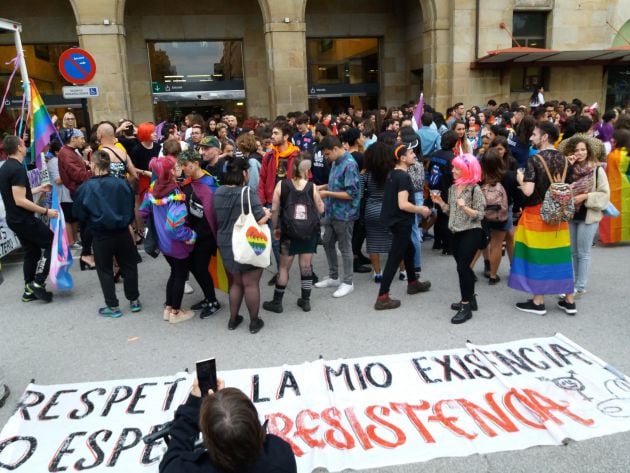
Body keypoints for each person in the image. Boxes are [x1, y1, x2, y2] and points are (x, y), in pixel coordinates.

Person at [159, 377, 297, 473]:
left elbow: (170, 461)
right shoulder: (279, 454)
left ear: (208, 440)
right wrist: (217, 404)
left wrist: (194, 405)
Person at [508, 122, 577, 316]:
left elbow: (528, 191)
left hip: (537, 215)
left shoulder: (535, 160)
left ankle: (538, 302)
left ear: (544, 137)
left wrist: (520, 178)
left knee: (538, 256)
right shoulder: (564, 159)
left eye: (535, 134)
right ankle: (569, 301)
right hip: (559, 215)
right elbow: (569, 188)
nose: (531, 138)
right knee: (561, 256)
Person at [72, 150, 141, 317]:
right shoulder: (122, 183)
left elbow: (78, 213)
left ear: (93, 165)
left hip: (101, 234)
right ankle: (134, 300)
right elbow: (130, 205)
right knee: (129, 265)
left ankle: (113, 306)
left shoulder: (85, 188)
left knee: (104, 270)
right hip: (122, 231)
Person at [213, 158, 271, 334]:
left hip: (225, 242)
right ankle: (254, 322)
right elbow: (260, 218)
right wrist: (267, 213)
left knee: (236, 283)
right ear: (244, 173)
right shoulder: (247, 192)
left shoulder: (218, 192)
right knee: (251, 283)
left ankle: (233, 320)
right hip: (247, 242)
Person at [0, 135, 58, 302]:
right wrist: (46, 211)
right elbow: (19, 200)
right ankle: (38, 283)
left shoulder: (6, 167)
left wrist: (39, 188)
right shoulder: (16, 169)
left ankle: (28, 289)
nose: (26, 146)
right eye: (24, 144)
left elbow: (15, 194)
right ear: (19, 147)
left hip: (15, 219)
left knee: (31, 252)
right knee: (51, 243)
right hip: (23, 219)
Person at [375, 143, 432, 310]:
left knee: (410, 250)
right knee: (394, 259)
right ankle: (382, 297)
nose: (414, 154)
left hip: (393, 220)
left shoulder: (393, 173)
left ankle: (413, 283)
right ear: (402, 158)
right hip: (401, 222)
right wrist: (421, 209)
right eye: (410, 152)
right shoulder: (403, 177)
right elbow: (403, 204)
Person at [139, 156, 197, 324]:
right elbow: (174, 227)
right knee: (179, 275)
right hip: (177, 243)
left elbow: (143, 211)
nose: (178, 168)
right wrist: (191, 236)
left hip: (162, 242)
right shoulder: (176, 194)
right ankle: (176, 313)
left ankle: (168, 308)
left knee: (174, 273)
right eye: (176, 166)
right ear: (170, 171)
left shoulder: (152, 189)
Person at [263, 157, 324, 313]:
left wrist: (276, 227)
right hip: (308, 232)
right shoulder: (312, 187)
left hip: (288, 232)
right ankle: (305, 301)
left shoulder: (281, 185)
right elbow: (321, 209)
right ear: (306, 170)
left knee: (284, 268)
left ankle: (277, 303)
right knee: (306, 267)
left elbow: (275, 210)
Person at [430, 154, 485, 324]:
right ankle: (471, 298)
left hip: (471, 232)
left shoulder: (475, 189)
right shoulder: (453, 189)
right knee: (465, 268)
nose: (453, 170)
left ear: (467, 171)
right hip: (455, 233)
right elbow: (450, 212)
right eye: (454, 167)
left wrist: (465, 207)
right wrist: (440, 203)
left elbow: (480, 215)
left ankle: (465, 305)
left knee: (462, 268)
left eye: (457, 168)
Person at [315, 135, 362, 298]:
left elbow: (352, 193)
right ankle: (334, 277)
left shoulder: (349, 164)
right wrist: (322, 186)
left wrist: (327, 193)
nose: (326, 158)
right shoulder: (336, 161)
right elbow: (337, 183)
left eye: (327, 154)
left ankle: (348, 282)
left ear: (336, 149)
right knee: (327, 241)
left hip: (345, 214)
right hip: (332, 211)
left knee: (345, 247)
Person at [178, 150, 222, 319]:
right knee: (194, 267)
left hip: (205, 235)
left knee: (200, 268)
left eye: (185, 165)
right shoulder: (189, 181)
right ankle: (208, 297)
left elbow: (212, 214)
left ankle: (212, 301)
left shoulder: (209, 183)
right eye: (181, 166)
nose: (183, 169)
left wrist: (198, 234)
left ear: (195, 163)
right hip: (191, 234)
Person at [564, 136, 610, 296]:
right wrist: (566, 166)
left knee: (583, 252)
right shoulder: (570, 169)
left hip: (588, 215)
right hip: (572, 214)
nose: (580, 153)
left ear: (588, 151)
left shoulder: (597, 170)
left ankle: (581, 286)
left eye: (583, 149)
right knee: (573, 252)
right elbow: (561, 187)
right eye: (576, 150)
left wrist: (585, 197)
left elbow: (605, 194)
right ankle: (574, 283)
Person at [258, 122, 301, 285]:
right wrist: (263, 203)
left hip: (291, 204)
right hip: (272, 205)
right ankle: (281, 272)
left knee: (297, 238)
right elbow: (261, 181)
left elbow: (305, 180)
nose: (272, 136)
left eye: (276, 133)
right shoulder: (268, 156)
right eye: (272, 133)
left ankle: (307, 270)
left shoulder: (297, 156)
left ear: (286, 136)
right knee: (276, 241)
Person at [479, 148, 520, 284]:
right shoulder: (509, 176)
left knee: (481, 243)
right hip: (501, 214)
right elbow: (517, 196)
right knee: (497, 244)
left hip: (483, 213)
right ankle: (493, 275)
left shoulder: (480, 176)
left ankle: (469, 269)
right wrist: (515, 209)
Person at [58, 128, 94, 270]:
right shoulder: (66, 153)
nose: (83, 141)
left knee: (86, 224)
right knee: (87, 224)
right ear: (73, 138)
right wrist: (95, 171)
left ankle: (86, 255)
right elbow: (78, 176)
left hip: (81, 191)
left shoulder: (70, 152)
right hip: (80, 192)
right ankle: (86, 255)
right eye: (81, 138)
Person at [599, 129, 630, 245]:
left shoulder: (612, 156)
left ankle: (610, 237)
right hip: (628, 186)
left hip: (615, 187)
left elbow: (608, 172)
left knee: (613, 213)